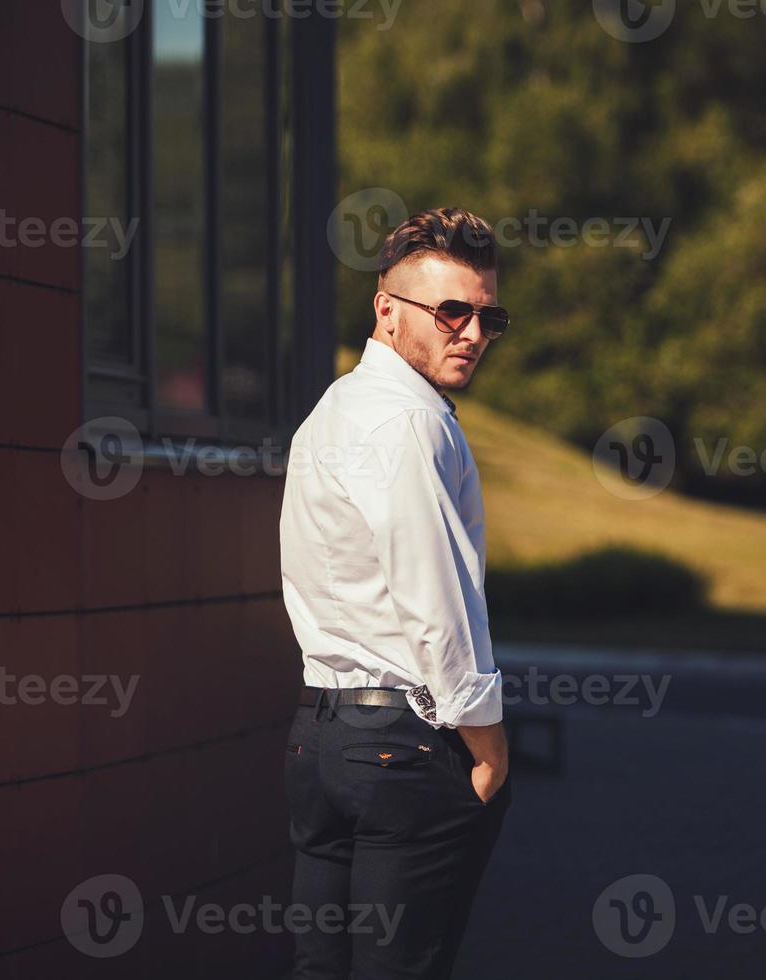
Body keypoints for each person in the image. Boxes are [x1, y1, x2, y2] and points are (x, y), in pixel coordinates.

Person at [279, 207, 513, 979]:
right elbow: (432, 595)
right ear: (387, 309)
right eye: (451, 311)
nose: (472, 334)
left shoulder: (332, 411)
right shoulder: (412, 422)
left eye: (488, 316)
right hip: (406, 748)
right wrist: (486, 744)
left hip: (321, 739)